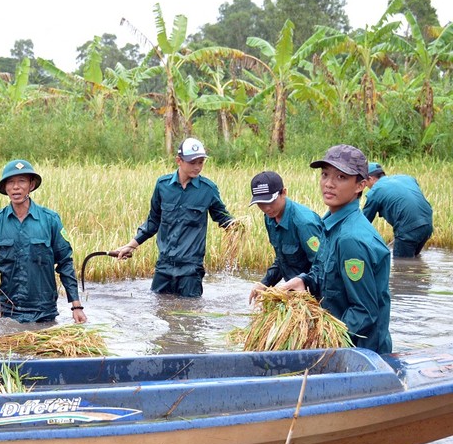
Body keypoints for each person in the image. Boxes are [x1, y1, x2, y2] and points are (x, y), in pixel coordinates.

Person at [282, 144, 392, 354]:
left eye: (341, 177)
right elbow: (325, 273)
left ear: (360, 185)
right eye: (325, 175)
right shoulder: (330, 224)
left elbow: (364, 312)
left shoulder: (351, 239)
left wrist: (321, 338)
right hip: (340, 347)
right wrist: (304, 280)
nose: (329, 184)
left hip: (360, 354)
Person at [114, 137, 235, 298]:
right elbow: (153, 221)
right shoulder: (162, 186)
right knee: (159, 311)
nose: (198, 167)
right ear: (179, 160)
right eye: (192, 162)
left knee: (191, 316)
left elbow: (224, 219)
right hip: (163, 267)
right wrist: (131, 245)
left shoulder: (208, 190)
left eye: (201, 162)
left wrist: (237, 227)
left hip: (191, 270)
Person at [0, 159, 87, 323]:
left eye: (21, 181)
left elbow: (65, 262)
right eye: (10, 182)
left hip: (44, 312)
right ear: (5, 188)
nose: (16, 187)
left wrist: (76, 306)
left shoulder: (50, 220)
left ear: (31, 185)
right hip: (7, 311)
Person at [247, 171, 323, 303]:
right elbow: (282, 259)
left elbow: (323, 267)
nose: (266, 208)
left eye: (270, 201)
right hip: (295, 295)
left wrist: (304, 282)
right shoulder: (270, 218)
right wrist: (264, 284)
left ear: (284, 192)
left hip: (316, 296)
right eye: (261, 203)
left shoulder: (304, 223)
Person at [363, 162, 434, 258]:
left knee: (401, 265)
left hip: (408, 229)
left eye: (366, 184)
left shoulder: (376, 191)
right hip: (427, 224)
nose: (367, 187)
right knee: (414, 259)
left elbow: (364, 222)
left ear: (370, 179)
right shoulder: (406, 178)